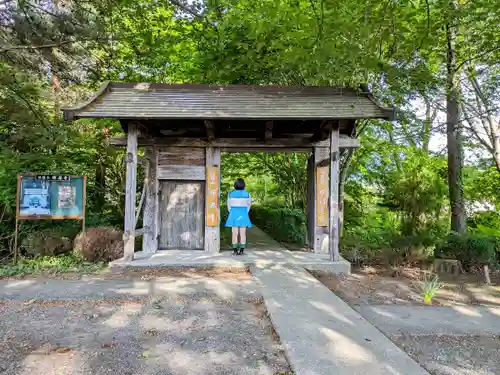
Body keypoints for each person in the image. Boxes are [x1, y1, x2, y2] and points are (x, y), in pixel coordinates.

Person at [225, 178, 252, 255]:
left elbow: (229, 206)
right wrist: (244, 212)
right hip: (243, 213)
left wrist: (233, 211)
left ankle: (235, 250)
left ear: (235, 185)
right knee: (243, 233)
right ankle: (242, 250)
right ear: (244, 185)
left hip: (234, 213)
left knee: (235, 233)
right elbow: (249, 205)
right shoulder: (247, 194)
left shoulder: (230, 194)